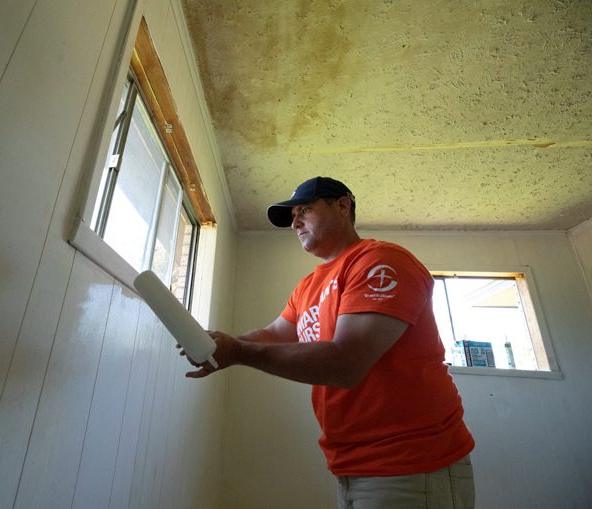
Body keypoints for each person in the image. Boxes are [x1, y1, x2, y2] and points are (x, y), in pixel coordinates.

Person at [185, 176, 475, 509]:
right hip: (352, 466)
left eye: (304, 210)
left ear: (342, 206)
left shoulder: (380, 261)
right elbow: (275, 334)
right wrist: (220, 345)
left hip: (412, 466)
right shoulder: (309, 285)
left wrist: (237, 352)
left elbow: (346, 363)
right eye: (292, 215)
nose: (294, 222)